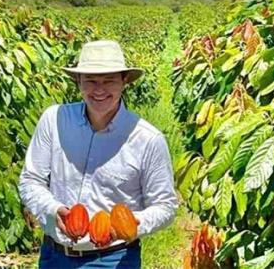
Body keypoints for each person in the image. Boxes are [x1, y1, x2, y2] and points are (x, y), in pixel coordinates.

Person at [18, 39, 178, 268]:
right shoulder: (54, 120)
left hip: (112, 259)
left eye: (109, 81)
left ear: (124, 82)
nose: (99, 90)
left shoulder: (147, 140)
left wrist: (128, 225)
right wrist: (52, 209)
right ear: (78, 82)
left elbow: (165, 206)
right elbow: (30, 180)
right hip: (55, 255)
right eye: (90, 81)